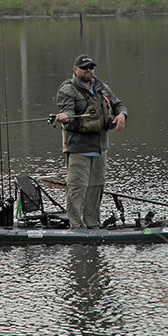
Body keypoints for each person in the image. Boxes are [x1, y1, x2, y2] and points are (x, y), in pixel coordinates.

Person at [54, 54, 127, 229]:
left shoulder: (101, 87)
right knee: (77, 189)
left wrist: (122, 115)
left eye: (91, 67)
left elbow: (118, 104)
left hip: (100, 148)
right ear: (75, 69)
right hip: (78, 148)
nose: (88, 71)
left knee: (96, 188)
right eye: (84, 68)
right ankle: (76, 227)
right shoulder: (67, 90)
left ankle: (92, 225)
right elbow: (69, 112)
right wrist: (65, 117)